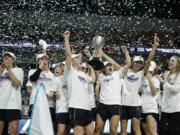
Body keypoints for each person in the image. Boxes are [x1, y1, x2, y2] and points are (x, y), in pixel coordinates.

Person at [121, 34, 159, 135]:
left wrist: (154, 46)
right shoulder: (126, 71)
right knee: (123, 131)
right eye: (136, 62)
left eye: (140, 63)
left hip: (135, 104)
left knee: (137, 129)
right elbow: (127, 63)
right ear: (133, 63)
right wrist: (126, 53)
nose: (138, 64)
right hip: (123, 103)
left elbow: (149, 60)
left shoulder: (142, 73)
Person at [64, 30, 96, 135]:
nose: (80, 59)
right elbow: (68, 55)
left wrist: (91, 69)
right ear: (72, 61)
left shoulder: (83, 74)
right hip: (76, 107)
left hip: (87, 107)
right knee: (79, 133)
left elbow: (93, 80)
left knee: (91, 132)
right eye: (77, 58)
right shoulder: (70, 71)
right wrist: (66, 39)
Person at [94, 46, 131, 135]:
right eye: (108, 65)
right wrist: (98, 98)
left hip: (115, 105)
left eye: (111, 65)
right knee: (98, 130)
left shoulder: (117, 74)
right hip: (102, 105)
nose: (110, 66)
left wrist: (126, 52)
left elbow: (129, 64)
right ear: (104, 68)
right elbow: (97, 87)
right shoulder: (101, 76)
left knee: (113, 131)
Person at [27, 53, 56, 128]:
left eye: (46, 59)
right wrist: (40, 68)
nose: (44, 61)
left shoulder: (52, 75)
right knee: (36, 127)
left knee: (47, 127)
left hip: (49, 103)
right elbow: (33, 79)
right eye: (42, 59)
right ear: (37, 62)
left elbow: (53, 89)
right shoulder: (32, 71)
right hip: (35, 102)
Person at [0, 52, 24, 135]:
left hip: (13, 104)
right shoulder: (1, 71)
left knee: (13, 131)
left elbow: (16, 84)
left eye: (8, 57)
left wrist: (8, 70)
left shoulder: (18, 70)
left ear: (13, 60)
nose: (6, 58)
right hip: (1, 104)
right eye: (4, 57)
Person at [159, 55, 180, 135]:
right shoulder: (167, 74)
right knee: (162, 132)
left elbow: (176, 89)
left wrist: (164, 82)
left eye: (173, 61)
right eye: (170, 60)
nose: (170, 62)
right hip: (165, 109)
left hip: (175, 109)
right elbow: (165, 91)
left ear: (178, 64)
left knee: (173, 132)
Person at [141, 61, 160, 135]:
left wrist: (150, 80)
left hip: (151, 109)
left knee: (153, 132)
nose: (149, 71)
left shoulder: (155, 79)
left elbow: (154, 92)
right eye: (148, 69)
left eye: (151, 70)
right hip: (142, 109)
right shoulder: (143, 80)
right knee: (147, 132)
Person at [54, 63, 70, 135]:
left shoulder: (70, 78)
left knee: (67, 131)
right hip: (61, 108)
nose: (58, 69)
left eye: (61, 67)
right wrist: (55, 94)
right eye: (57, 67)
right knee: (60, 132)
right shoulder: (56, 79)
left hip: (70, 108)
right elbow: (52, 91)